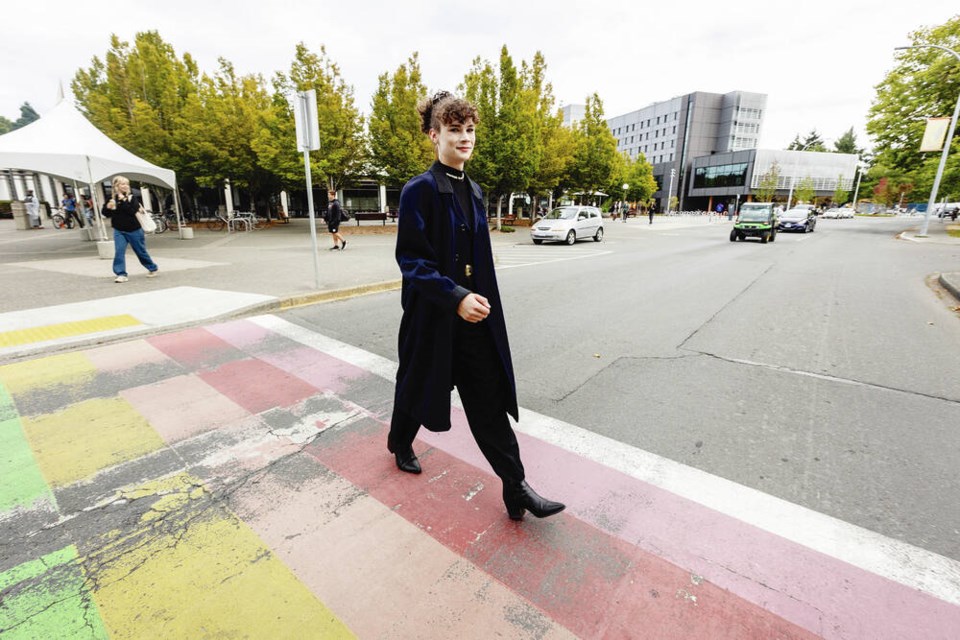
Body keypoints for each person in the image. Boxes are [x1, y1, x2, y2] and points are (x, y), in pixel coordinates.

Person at [388, 90, 565, 521]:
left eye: (469, 130)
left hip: (474, 319)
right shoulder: (420, 190)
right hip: (434, 317)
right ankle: (399, 441)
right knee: (417, 386)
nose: (464, 138)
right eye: (454, 130)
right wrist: (455, 297)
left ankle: (516, 487)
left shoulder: (476, 191)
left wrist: (477, 303)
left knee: (487, 401)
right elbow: (411, 261)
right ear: (434, 135)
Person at [102, 175, 159, 283]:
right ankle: (121, 274)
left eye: (127, 184)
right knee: (119, 252)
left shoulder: (132, 198)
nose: (125, 186)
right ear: (116, 185)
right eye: (123, 184)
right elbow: (105, 213)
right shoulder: (111, 198)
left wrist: (123, 200)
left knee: (140, 251)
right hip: (119, 230)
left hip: (134, 229)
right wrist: (108, 207)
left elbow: (132, 211)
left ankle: (152, 268)